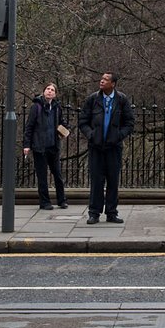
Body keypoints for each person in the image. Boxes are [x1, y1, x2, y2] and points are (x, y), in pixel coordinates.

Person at [78, 72, 134, 225]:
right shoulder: (93, 99)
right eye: (101, 79)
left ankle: (111, 212)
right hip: (96, 147)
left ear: (113, 84)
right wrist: (91, 135)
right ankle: (94, 213)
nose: (102, 81)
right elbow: (83, 121)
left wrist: (118, 135)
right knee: (96, 180)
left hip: (113, 147)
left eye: (106, 80)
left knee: (113, 180)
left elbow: (129, 122)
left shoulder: (121, 100)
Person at [22, 82, 69, 210]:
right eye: (47, 89)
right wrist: (27, 145)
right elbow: (29, 127)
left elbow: (62, 122)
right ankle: (45, 202)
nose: (49, 91)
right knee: (42, 176)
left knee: (57, 175)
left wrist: (65, 129)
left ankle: (62, 200)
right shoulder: (36, 107)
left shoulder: (57, 107)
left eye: (52, 90)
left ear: (55, 94)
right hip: (39, 147)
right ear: (44, 92)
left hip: (53, 146)